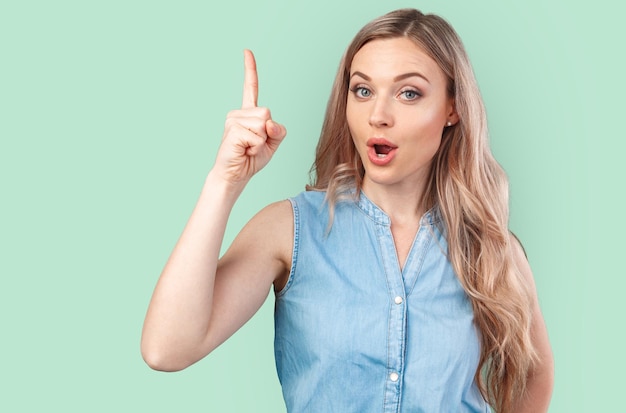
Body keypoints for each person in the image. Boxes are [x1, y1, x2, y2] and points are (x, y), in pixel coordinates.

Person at [141, 8, 554, 413]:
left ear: (453, 108)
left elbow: (534, 375)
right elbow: (166, 349)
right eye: (363, 90)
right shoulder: (291, 229)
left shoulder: (490, 247)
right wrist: (224, 182)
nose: (378, 115)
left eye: (409, 93)